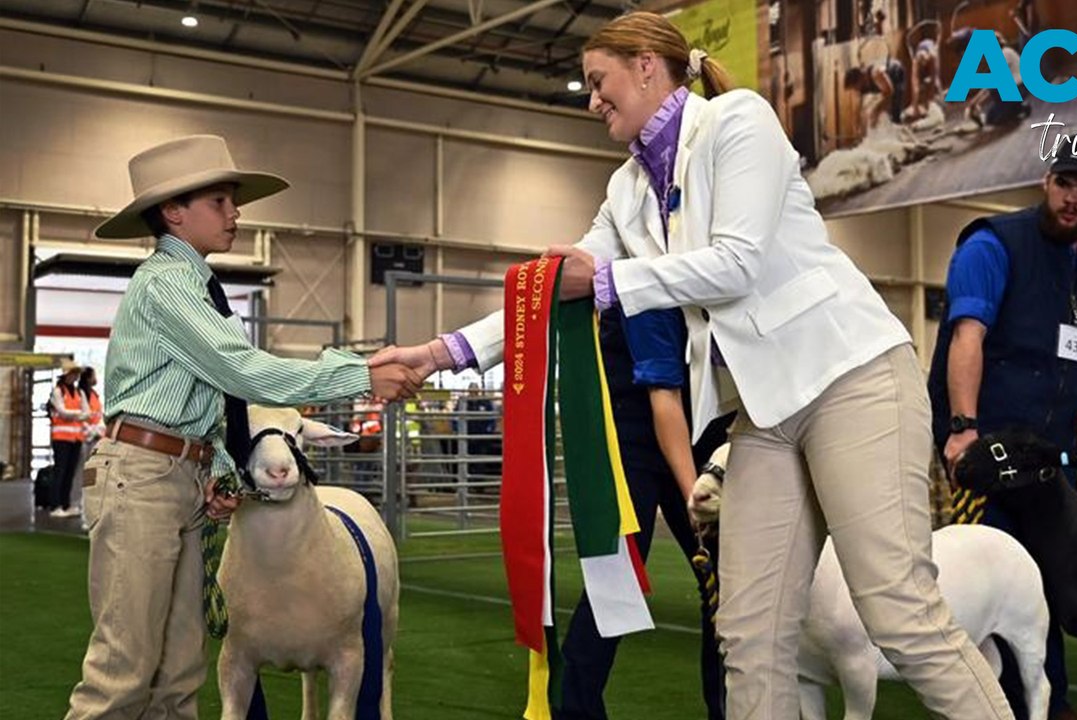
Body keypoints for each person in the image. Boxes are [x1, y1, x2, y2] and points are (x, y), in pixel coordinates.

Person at [373, 12, 1013, 720]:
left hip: (850, 376)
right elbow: (559, 291)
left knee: (900, 614)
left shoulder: (739, 121)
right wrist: (438, 355)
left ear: (647, 65)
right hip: (761, 414)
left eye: (599, 82)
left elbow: (735, 263)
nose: (592, 100)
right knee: (748, 634)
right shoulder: (626, 190)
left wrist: (608, 280)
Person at [64, 134, 423, 720]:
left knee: (179, 671)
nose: (235, 214)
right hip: (143, 476)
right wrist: (360, 374)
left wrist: (221, 468)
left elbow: (211, 391)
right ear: (173, 211)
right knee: (123, 671)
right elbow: (241, 370)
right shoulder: (167, 284)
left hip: (177, 475)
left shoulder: (194, 288)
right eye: (220, 202)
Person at [928, 134, 1077, 720]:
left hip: (1051, 450)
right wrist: (963, 429)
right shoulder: (993, 245)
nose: (1072, 198)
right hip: (986, 441)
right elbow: (967, 336)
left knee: (1047, 575)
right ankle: (983, 702)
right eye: (1063, 183)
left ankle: (1045, 699)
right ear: (1046, 182)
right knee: (988, 572)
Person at [558, 306, 731, 720]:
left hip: (699, 425)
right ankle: (574, 710)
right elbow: (663, 394)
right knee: (615, 580)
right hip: (631, 432)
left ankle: (731, 709)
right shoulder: (635, 281)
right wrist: (693, 494)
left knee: (727, 588)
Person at [47, 362, 88, 518]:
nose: (75, 376)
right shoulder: (58, 391)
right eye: (72, 373)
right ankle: (55, 506)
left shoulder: (79, 392)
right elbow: (62, 411)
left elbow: (87, 412)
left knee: (70, 473)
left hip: (76, 438)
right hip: (61, 438)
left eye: (76, 373)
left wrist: (74, 414)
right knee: (60, 472)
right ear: (65, 375)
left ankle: (66, 505)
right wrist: (79, 413)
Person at [71, 366, 107, 515]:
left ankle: (89, 505)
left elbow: (98, 416)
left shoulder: (94, 395)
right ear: (88, 377)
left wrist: (99, 430)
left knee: (93, 474)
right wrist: (92, 431)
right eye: (94, 375)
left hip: (96, 437)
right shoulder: (80, 394)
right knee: (80, 472)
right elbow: (81, 417)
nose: (96, 378)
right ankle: (75, 503)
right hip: (85, 438)